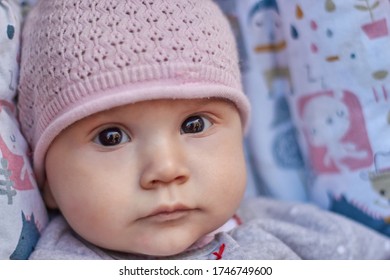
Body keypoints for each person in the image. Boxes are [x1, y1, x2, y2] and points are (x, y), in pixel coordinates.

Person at [17, 0, 390, 260]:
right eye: (110, 136)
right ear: (48, 181)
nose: (165, 170)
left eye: (194, 125)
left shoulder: (290, 228)